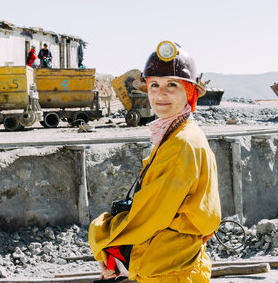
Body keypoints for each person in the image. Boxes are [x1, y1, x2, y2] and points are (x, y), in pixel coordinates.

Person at [89, 41, 221, 282]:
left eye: (172, 85)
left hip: (170, 272)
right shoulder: (177, 134)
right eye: (154, 85)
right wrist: (120, 259)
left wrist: (101, 237)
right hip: (171, 264)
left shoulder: (181, 144)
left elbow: (149, 215)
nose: (161, 94)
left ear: (189, 92)